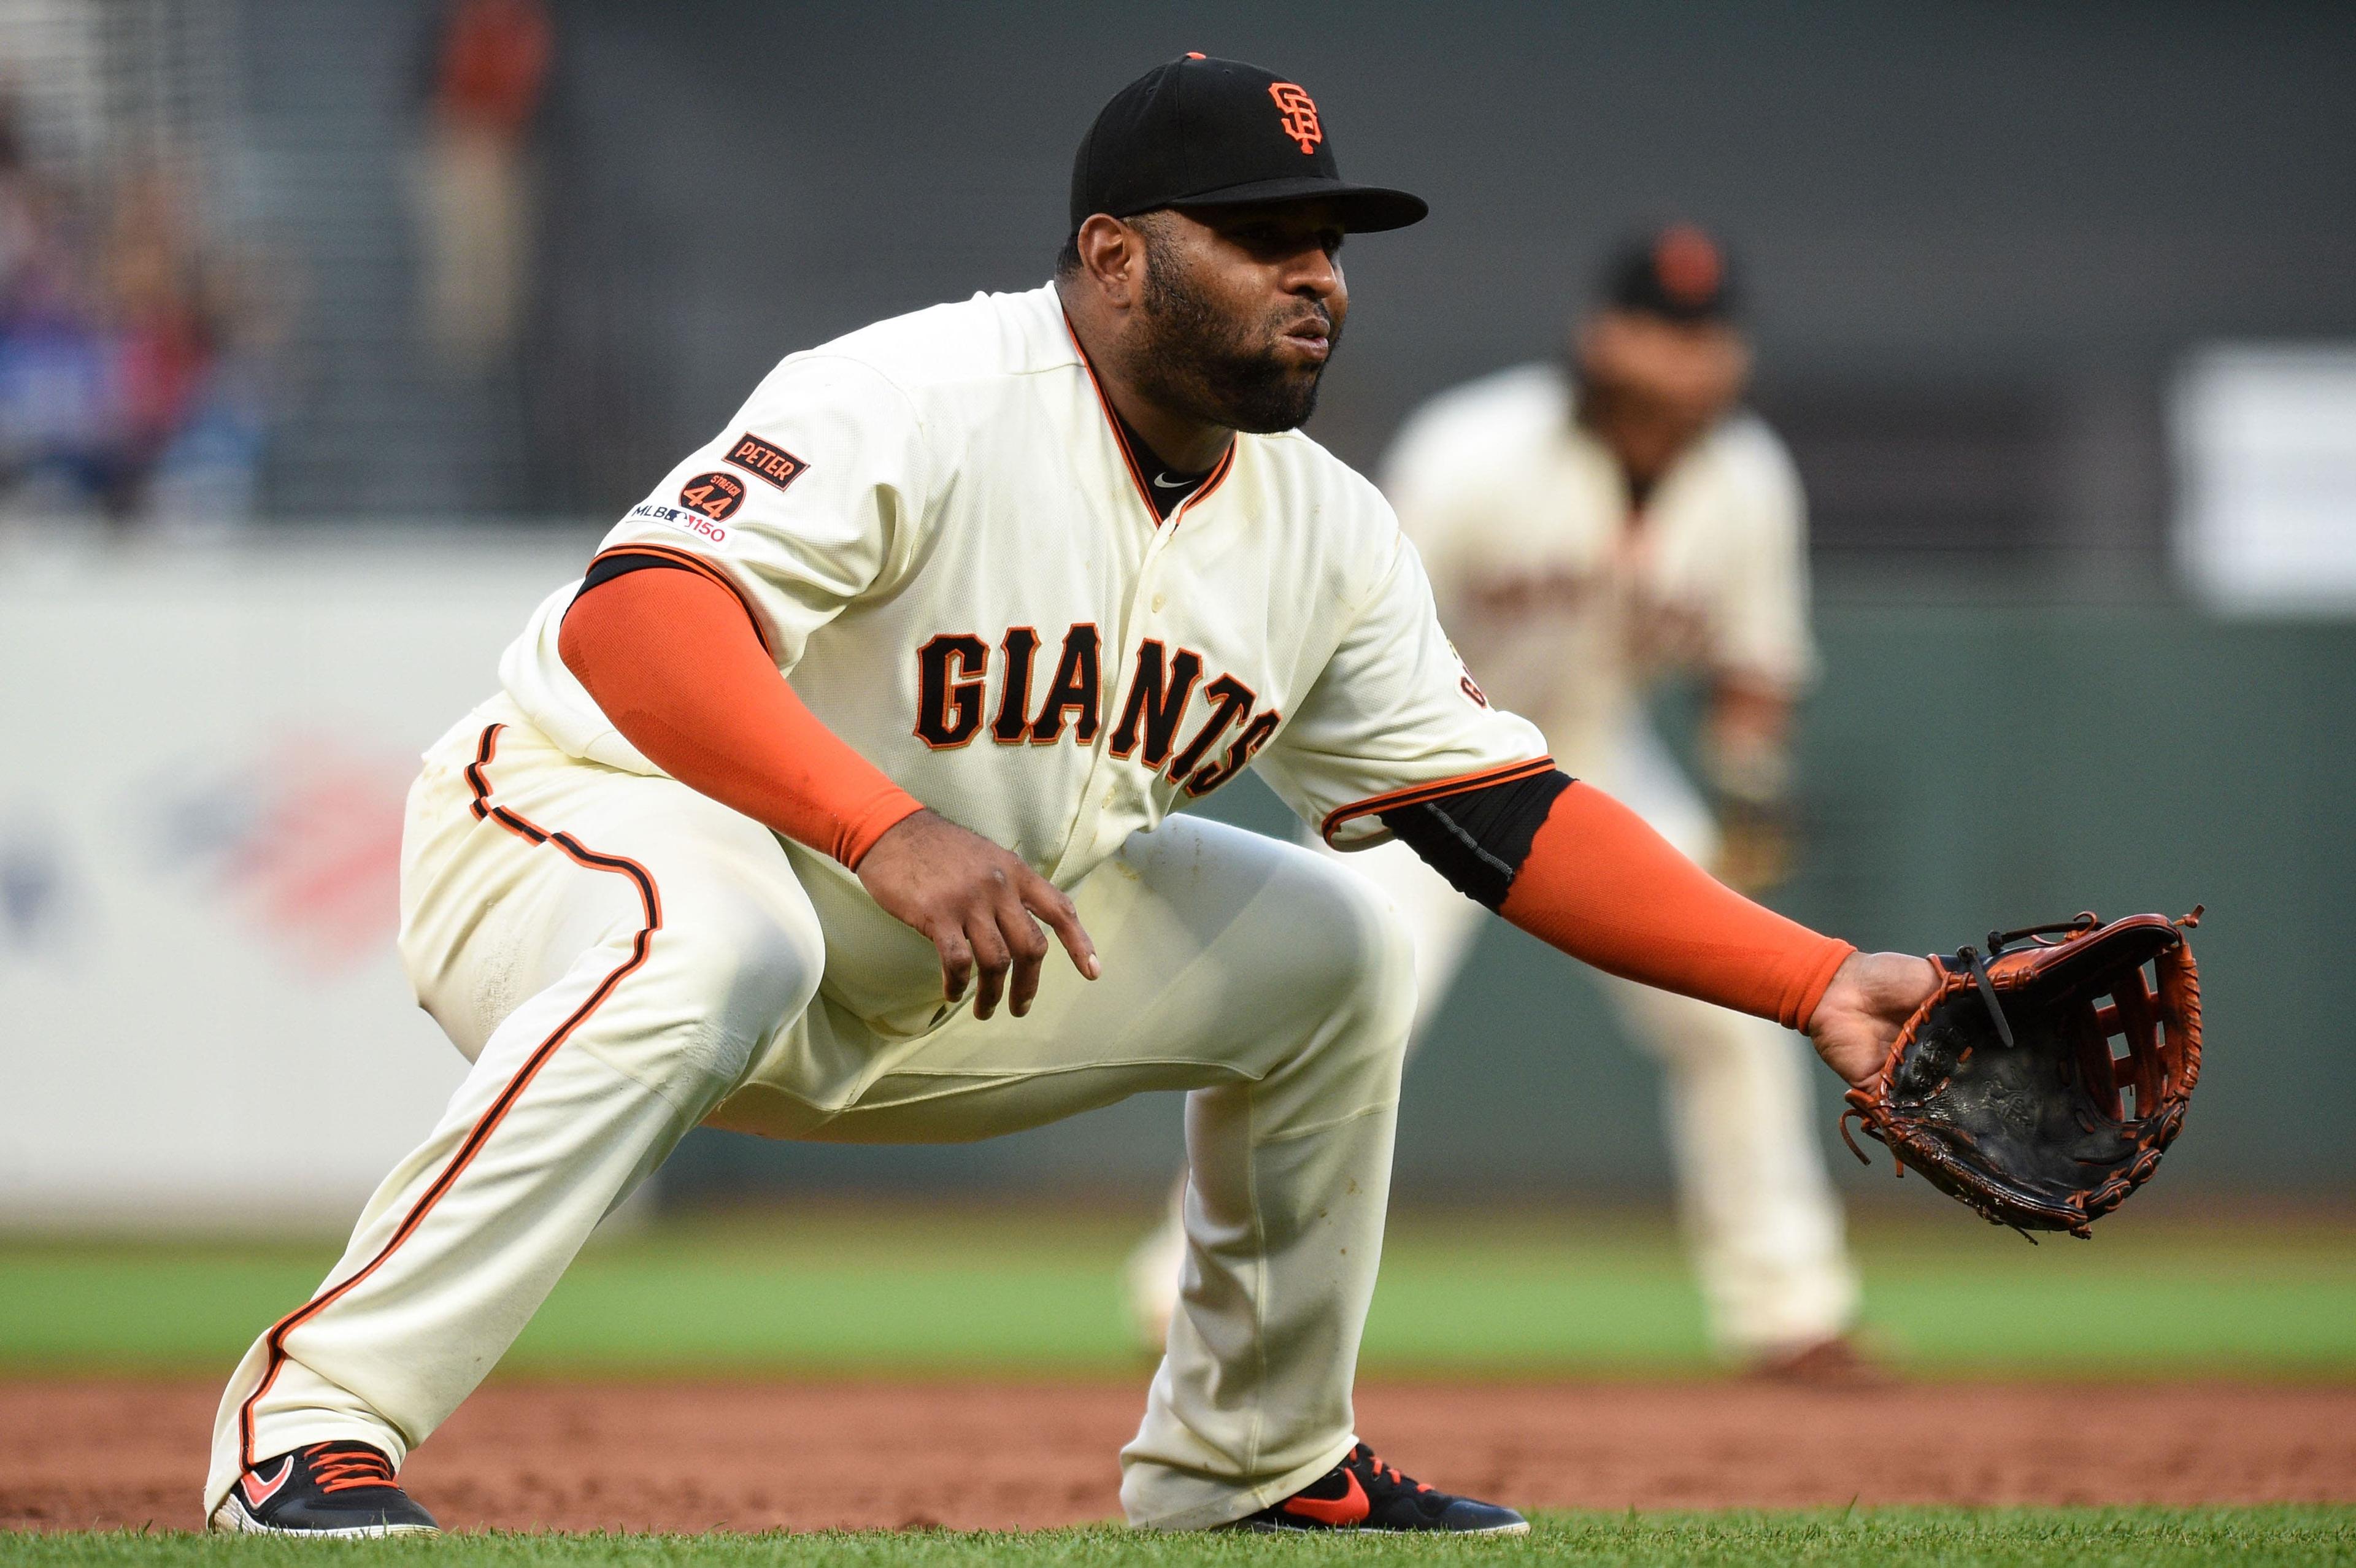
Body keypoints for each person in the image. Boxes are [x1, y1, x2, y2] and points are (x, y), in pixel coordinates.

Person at [204, 58, 1934, 1539]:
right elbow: (640, 621)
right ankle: (307, 1428)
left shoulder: (1323, 529)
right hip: (581, 833)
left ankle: (1253, 1463)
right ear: (1113, 257)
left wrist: (1810, 980)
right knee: (708, 942)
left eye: (1327, 240)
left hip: (926, 954)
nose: (1313, 272)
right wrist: (884, 827)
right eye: (1259, 235)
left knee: (1340, 951)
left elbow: (1507, 813)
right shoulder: (918, 393)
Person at [1125, 225, 1869, 1375]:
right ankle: (1184, 1295)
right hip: (1415, 747)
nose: (1685, 360)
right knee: (1340, 997)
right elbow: (1353, 617)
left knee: (1739, 1004)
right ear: (1603, 337)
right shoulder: (1480, 447)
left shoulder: (1749, 478)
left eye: (1707, 336)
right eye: (1662, 331)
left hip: (1592, 746)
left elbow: (1755, 670)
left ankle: (1792, 1313)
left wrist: (1747, 788)